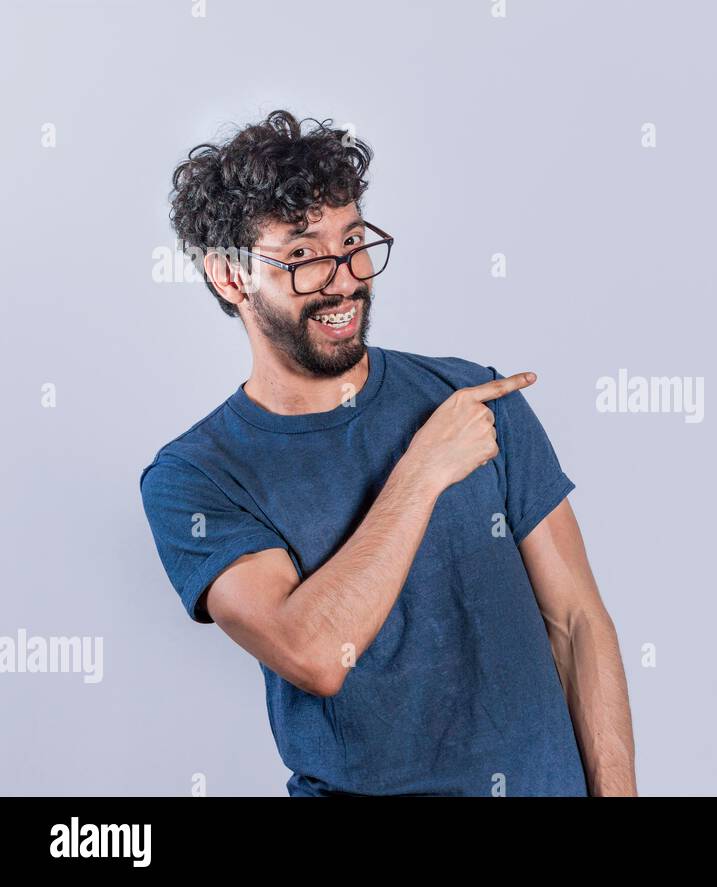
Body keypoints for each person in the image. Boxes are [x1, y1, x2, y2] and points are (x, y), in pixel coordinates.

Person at [139, 110, 635, 796]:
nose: (345, 278)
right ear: (230, 277)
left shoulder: (472, 395)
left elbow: (578, 621)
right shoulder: (196, 478)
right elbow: (312, 651)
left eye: (353, 241)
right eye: (304, 254)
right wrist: (424, 469)